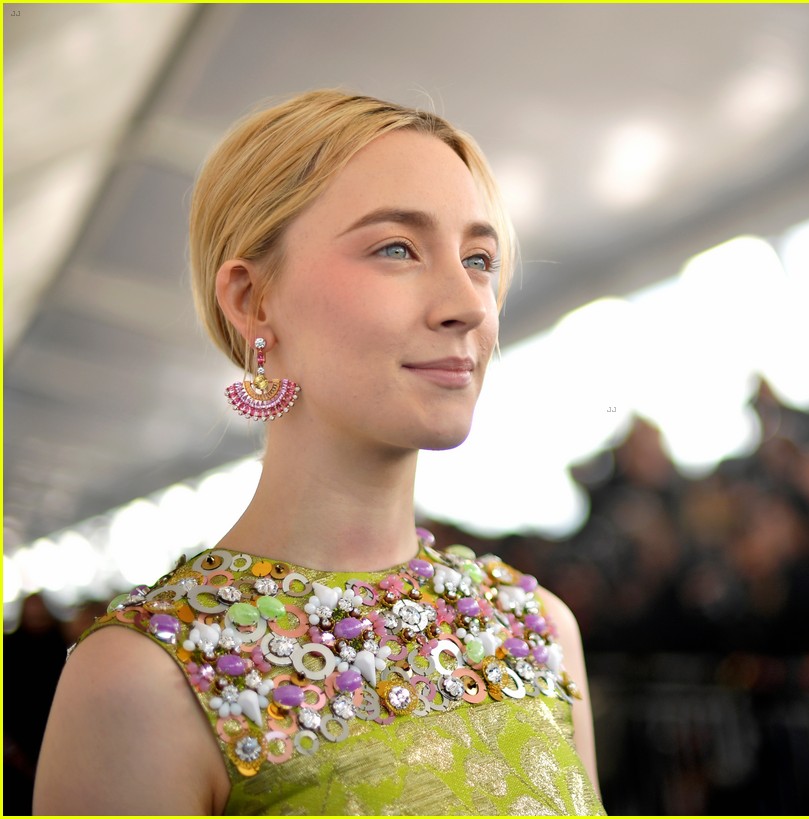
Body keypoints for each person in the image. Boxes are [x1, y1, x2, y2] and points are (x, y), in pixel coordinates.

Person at [33, 90, 604, 815]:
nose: (466, 302)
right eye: (397, 248)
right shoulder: (143, 680)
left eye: (480, 258)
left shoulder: (538, 629)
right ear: (252, 300)